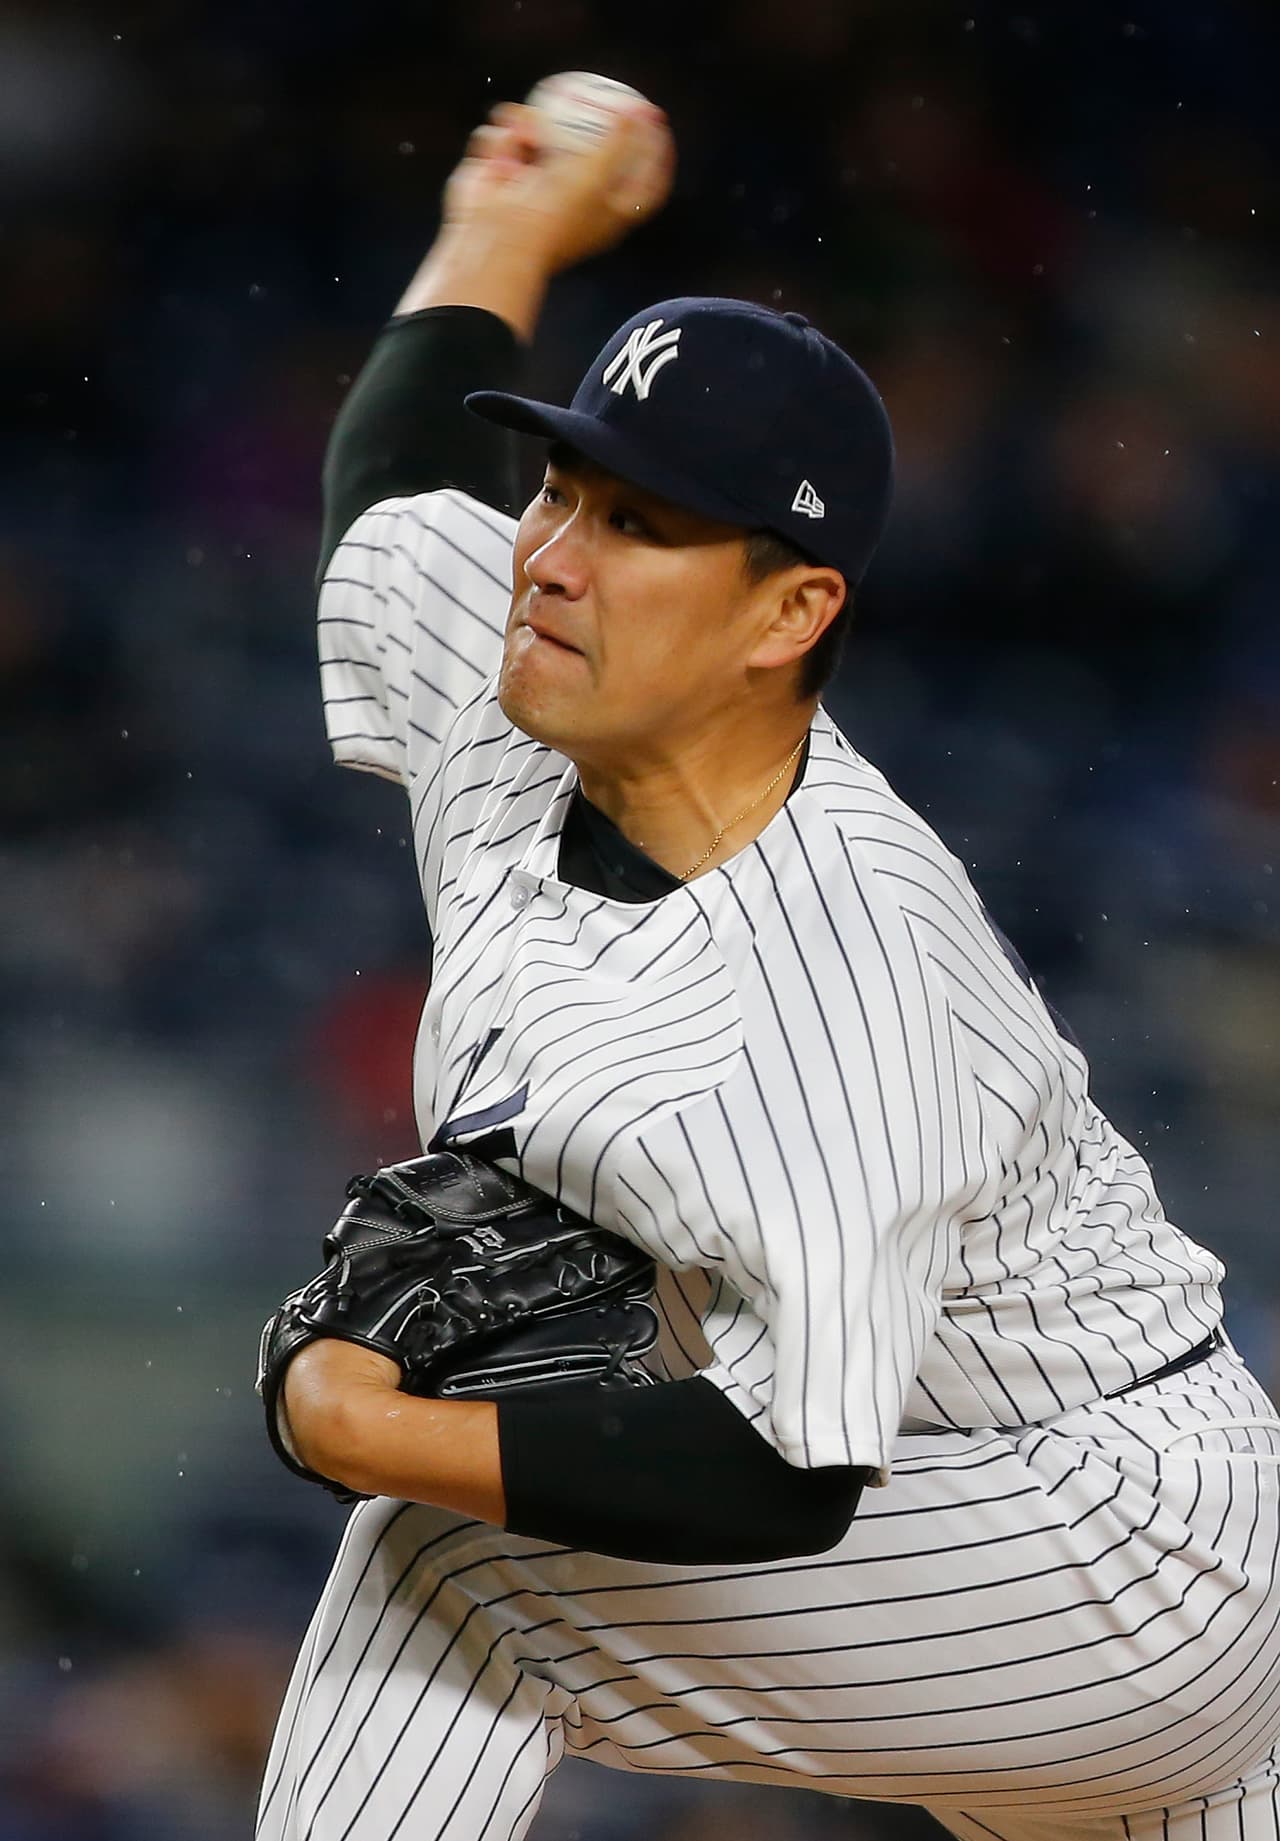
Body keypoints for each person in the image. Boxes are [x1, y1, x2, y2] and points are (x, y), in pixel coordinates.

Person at [256, 94, 1280, 1841]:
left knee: (453, 1565)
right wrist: (511, 216)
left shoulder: (836, 969)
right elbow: (401, 479)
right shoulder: (539, 682)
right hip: (977, 1512)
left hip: (1113, 1552)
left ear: (788, 613)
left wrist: (363, 1425)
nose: (554, 554)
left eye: (639, 523)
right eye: (563, 485)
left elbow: (776, 1474)